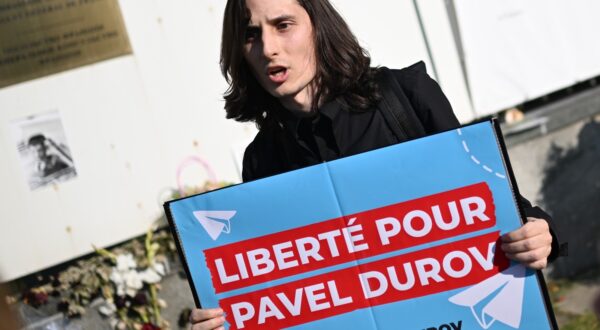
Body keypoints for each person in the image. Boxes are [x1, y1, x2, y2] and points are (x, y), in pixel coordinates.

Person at [191, 0, 563, 328]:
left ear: (318, 27)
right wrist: (226, 317)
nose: (268, 48)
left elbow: (497, 204)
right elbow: (281, 289)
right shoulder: (262, 161)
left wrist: (539, 232)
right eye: (250, 34)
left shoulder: (406, 97)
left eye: (283, 25)